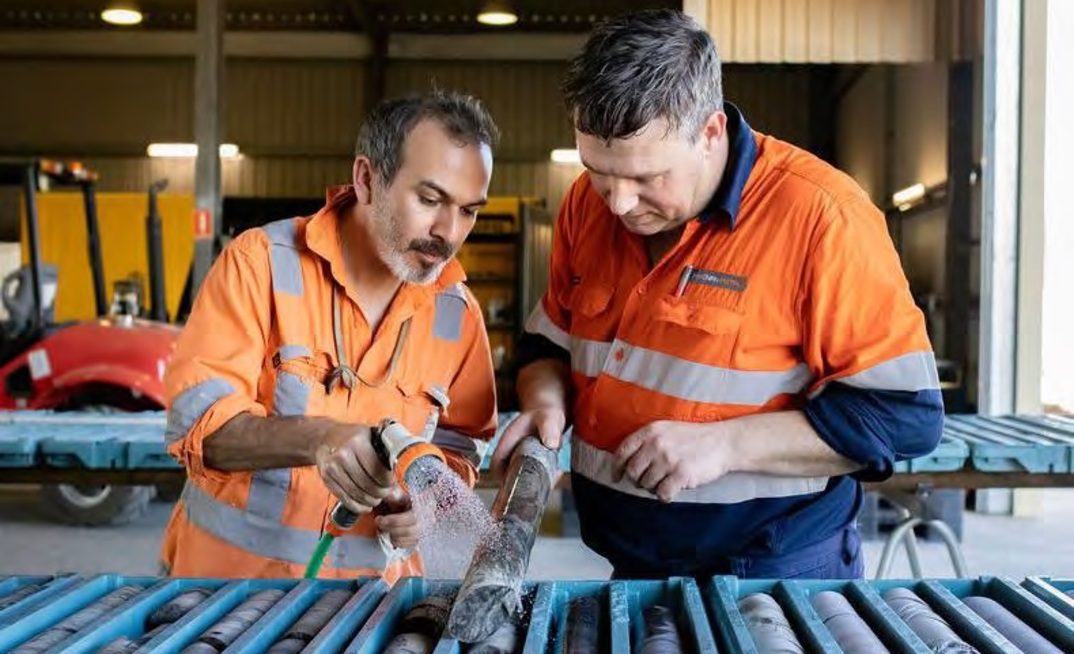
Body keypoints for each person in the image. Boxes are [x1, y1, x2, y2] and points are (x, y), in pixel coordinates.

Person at [492, 9, 944, 580]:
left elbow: (904, 417)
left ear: (709, 133)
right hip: (629, 563)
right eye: (599, 172)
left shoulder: (822, 219)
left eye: (647, 178)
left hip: (773, 574)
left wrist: (726, 445)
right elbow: (546, 347)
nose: (619, 204)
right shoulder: (588, 206)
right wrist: (545, 403)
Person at [160, 90, 501, 583]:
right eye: (430, 199)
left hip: (368, 610)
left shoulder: (458, 314)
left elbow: (458, 450)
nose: (449, 232)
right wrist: (319, 439)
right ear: (367, 179)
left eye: (470, 210)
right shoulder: (260, 265)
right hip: (227, 599)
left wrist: (423, 506)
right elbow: (199, 429)